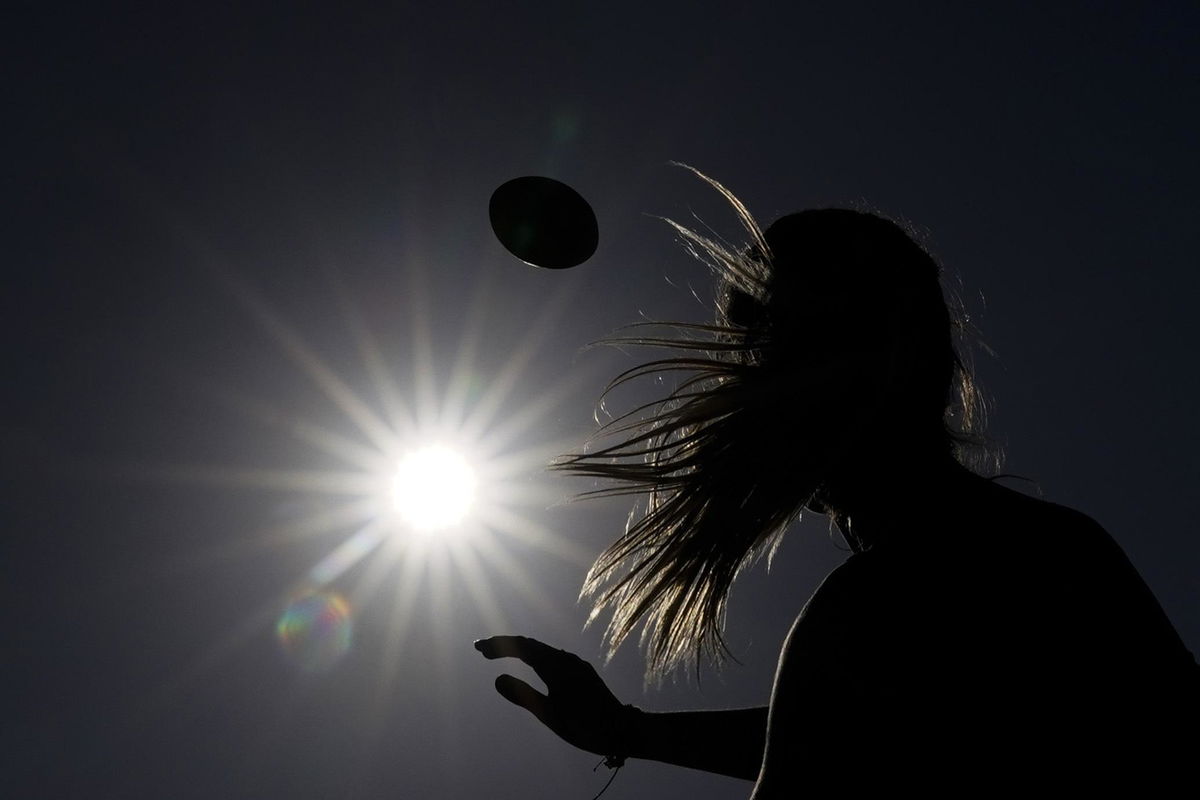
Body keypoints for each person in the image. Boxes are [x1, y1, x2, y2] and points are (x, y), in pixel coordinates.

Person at [476, 171, 1197, 794]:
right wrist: (627, 730)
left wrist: (627, 732)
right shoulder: (1055, 553)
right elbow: (888, 734)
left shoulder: (883, 605)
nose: (748, 378)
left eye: (773, 342)